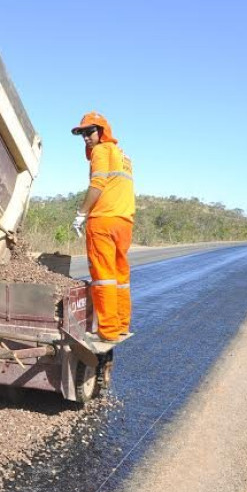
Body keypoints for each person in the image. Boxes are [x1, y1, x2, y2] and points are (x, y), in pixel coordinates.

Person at [71, 112, 135, 343]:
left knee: (104, 277)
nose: (86, 137)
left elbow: (97, 184)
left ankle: (107, 331)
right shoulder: (123, 155)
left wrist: (81, 214)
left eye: (90, 131)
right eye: (82, 134)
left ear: (103, 131)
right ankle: (120, 326)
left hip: (103, 222)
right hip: (124, 221)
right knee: (120, 276)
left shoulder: (101, 151)